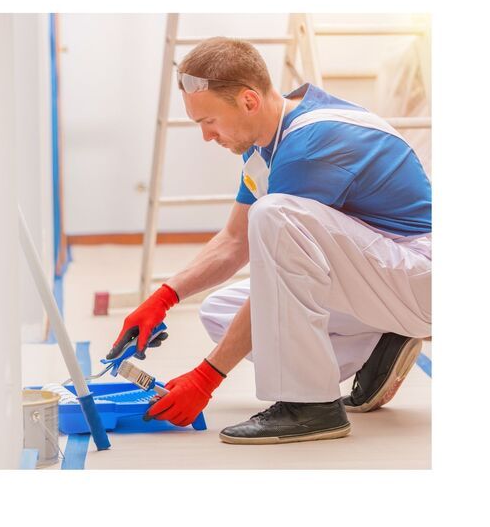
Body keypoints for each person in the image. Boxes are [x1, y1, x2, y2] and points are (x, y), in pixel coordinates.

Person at [106, 37, 432, 444]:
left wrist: (206, 377)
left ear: (248, 101)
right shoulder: (267, 142)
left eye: (209, 121)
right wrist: (164, 297)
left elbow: (273, 258)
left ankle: (310, 406)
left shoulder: (312, 144)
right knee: (219, 312)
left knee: (274, 215)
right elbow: (233, 242)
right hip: (383, 276)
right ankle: (380, 344)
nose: (207, 136)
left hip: (421, 276)